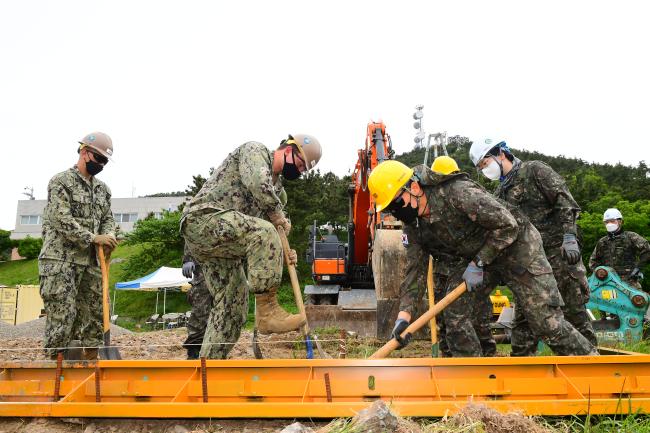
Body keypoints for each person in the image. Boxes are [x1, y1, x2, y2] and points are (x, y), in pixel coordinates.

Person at [368, 160, 597, 356]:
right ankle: (474, 386)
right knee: (454, 314)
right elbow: (414, 272)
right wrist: (403, 318)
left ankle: (597, 367)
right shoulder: (415, 226)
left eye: (397, 204)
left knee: (545, 321)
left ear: (414, 186)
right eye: (390, 209)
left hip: (518, 249)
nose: (397, 212)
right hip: (480, 258)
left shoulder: (458, 193)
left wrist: (479, 262)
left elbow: (508, 225)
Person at [181, 134, 322, 359]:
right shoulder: (255, 152)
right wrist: (277, 223)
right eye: (300, 164)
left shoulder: (279, 193)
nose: (300, 171)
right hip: (203, 220)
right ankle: (267, 313)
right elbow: (259, 186)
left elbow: (276, 230)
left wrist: (284, 250)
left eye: (304, 169)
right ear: (288, 150)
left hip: (224, 246)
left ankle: (208, 369)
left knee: (233, 307)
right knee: (264, 232)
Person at [470, 138, 597, 355]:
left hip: (559, 255)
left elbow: (564, 200)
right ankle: (523, 373)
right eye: (481, 168)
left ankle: (594, 373)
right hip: (530, 266)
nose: (485, 170)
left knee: (574, 315)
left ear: (500, 154)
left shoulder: (535, 171)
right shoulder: (500, 193)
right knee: (524, 321)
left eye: (485, 163)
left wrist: (569, 236)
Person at [38, 132, 117, 360]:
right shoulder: (61, 182)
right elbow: (60, 219)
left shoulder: (103, 190)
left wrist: (109, 235)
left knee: (96, 313)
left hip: (91, 262)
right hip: (60, 261)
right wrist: (93, 238)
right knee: (63, 314)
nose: (101, 165)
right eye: (98, 159)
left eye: (104, 161)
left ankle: (92, 362)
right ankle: (56, 367)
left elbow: (107, 218)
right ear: (84, 152)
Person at [589, 208, 650, 290]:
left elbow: (647, 250)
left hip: (630, 282)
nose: (609, 224)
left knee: (638, 301)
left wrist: (638, 268)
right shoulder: (602, 242)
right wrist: (601, 274)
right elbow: (593, 262)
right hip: (607, 284)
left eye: (612, 221)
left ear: (620, 221)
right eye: (607, 222)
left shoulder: (631, 237)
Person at [181, 249, 210, 359]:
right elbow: (190, 234)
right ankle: (194, 351)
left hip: (227, 270)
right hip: (203, 274)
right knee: (201, 313)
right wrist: (188, 259)